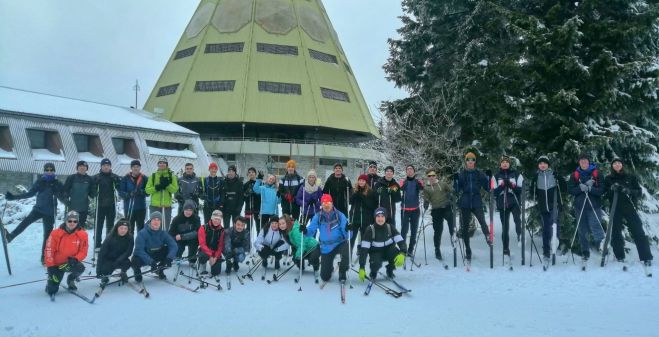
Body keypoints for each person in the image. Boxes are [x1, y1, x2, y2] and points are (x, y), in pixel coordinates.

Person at [3, 162, 64, 263]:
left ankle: (44, 258)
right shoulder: (40, 181)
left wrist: (70, 203)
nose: (49, 172)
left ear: (54, 171)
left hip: (50, 212)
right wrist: (14, 197)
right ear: (44, 171)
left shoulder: (58, 183)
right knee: (25, 222)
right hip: (38, 209)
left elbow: (63, 197)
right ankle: (10, 236)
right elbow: (30, 194)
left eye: (51, 170)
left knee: (47, 236)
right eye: (47, 170)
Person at [603, 158, 653, 270]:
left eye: (619, 163)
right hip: (615, 208)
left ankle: (646, 257)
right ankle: (619, 256)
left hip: (629, 207)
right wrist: (611, 189)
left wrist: (628, 191)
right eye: (614, 163)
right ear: (612, 166)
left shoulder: (630, 177)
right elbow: (604, 194)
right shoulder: (608, 178)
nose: (617, 165)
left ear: (622, 165)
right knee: (616, 232)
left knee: (638, 230)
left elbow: (639, 192)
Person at [453, 152, 492, 266]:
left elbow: (488, 187)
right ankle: (468, 250)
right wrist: (455, 180)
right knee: (465, 228)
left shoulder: (479, 173)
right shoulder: (462, 174)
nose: (471, 162)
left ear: (475, 162)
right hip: (465, 201)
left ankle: (488, 238)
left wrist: (489, 177)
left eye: (473, 160)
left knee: (482, 221)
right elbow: (456, 189)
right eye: (469, 160)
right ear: (466, 161)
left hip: (476, 200)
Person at [300, 194, 349, 284]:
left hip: (339, 243)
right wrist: (305, 230)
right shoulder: (318, 216)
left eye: (328, 203)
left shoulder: (340, 215)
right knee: (325, 277)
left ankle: (342, 271)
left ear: (332, 203)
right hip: (326, 246)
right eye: (324, 203)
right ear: (321, 205)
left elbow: (347, 235)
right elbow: (311, 231)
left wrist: (347, 230)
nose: (326, 205)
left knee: (346, 254)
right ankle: (329, 267)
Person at [567, 153, 605, 265]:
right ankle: (585, 251)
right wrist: (580, 187)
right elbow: (570, 190)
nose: (583, 163)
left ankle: (602, 248)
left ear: (589, 162)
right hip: (580, 206)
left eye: (585, 161)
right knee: (582, 230)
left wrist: (590, 189)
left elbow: (602, 190)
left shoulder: (597, 173)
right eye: (581, 161)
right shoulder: (575, 175)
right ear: (579, 162)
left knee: (596, 227)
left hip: (594, 206)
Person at [530, 155, 564, 267]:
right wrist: (532, 184)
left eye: (544, 163)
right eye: (540, 163)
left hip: (553, 204)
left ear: (548, 165)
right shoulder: (536, 176)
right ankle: (546, 253)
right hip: (543, 206)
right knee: (546, 228)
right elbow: (532, 192)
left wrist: (559, 178)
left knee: (554, 225)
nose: (542, 165)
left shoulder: (553, 175)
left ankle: (555, 244)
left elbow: (564, 188)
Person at [44, 211, 88, 295]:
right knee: (51, 291)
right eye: (69, 221)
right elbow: (48, 250)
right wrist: (51, 267)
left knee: (80, 268)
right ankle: (50, 282)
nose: (72, 223)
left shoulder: (83, 234)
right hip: (56, 265)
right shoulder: (55, 233)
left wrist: (76, 259)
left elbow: (83, 251)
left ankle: (71, 279)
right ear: (65, 221)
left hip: (70, 263)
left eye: (75, 221)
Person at [357, 208, 406, 281]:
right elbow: (364, 250)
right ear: (375, 217)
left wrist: (402, 253)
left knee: (397, 255)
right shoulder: (370, 230)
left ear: (385, 217)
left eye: (382, 216)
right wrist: (361, 267)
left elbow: (401, 242)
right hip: (375, 252)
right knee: (376, 263)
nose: (380, 219)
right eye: (378, 216)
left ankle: (390, 270)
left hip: (389, 251)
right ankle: (373, 272)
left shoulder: (390, 227)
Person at [131, 211, 177, 282]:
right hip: (145, 255)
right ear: (150, 221)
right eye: (154, 219)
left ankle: (159, 270)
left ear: (160, 222)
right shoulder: (142, 233)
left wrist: (169, 258)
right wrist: (151, 262)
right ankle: (137, 273)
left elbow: (173, 245)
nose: (156, 222)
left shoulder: (163, 233)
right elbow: (139, 250)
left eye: (158, 220)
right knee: (134, 260)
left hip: (156, 254)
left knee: (169, 251)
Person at [493, 156, 523, 266]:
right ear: (500, 164)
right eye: (503, 162)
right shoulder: (496, 176)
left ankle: (520, 236)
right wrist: (502, 185)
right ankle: (506, 250)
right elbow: (494, 192)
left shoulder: (516, 174)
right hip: (502, 204)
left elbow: (521, 190)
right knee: (505, 227)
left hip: (514, 201)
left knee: (517, 219)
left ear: (510, 164)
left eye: (507, 162)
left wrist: (512, 185)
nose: (505, 164)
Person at [422, 169, 455, 260]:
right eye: (429, 176)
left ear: (436, 176)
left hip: (446, 207)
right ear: (427, 177)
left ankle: (453, 237)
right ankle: (437, 249)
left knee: (451, 221)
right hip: (436, 210)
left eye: (433, 175)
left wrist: (450, 195)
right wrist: (426, 203)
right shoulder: (426, 188)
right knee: (438, 230)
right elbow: (426, 198)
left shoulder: (443, 184)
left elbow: (451, 190)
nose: (431, 177)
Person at [93, 158, 121, 251]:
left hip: (111, 205)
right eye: (104, 165)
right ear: (101, 166)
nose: (106, 167)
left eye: (108, 165)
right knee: (99, 226)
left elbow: (119, 188)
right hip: (100, 205)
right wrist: (94, 186)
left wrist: (117, 182)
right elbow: (92, 191)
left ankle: (108, 243)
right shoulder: (96, 177)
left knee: (110, 226)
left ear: (110, 166)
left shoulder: (114, 177)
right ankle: (97, 244)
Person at [281, 214, 320, 280]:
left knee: (310, 259)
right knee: (296, 258)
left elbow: (302, 245)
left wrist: (298, 256)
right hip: (302, 248)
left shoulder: (295, 231)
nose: (281, 225)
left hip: (313, 247)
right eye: (280, 224)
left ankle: (316, 268)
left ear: (288, 222)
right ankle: (301, 268)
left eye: (283, 223)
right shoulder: (287, 230)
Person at [145, 157, 178, 231]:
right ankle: (153, 241)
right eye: (160, 163)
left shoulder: (171, 176)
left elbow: (175, 189)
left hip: (166, 206)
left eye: (164, 163)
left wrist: (167, 185)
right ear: (158, 164)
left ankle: (164, 241)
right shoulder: (153, 176)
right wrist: (157, 187)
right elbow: (147, 190)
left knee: (165, 226)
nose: (162, 164)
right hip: (155, 206)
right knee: (154, 227)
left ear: (166, 165)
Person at [96, 219, 133, 284]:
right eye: (121, 228)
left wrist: (119, 260)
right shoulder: (110, 237)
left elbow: (128, 252)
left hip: (121, 259)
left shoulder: (130, 238)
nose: (123, 230)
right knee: (105, 269)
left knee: (127, 263)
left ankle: (123, 272)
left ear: (128, 230)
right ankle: (106, 276)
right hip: (109, 259)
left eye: (125, 228)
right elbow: (102, 254)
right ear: (117, 228)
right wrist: (98, 270)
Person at [399, 165, 424, 256]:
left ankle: (410, 250)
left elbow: (423, 189)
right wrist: (403, 185)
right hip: (405, 210)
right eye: (408, 169)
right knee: (404, 231)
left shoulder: (418, 181)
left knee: (414, 231)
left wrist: (421, 184)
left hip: (415, 210)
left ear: (414, 171)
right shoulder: (403, 181)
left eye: (411, 169)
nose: (409, 171)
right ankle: (403, 249)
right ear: (406, 171)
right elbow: (399, 189)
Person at [63, 160, 95, 229]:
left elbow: (92, 193)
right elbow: (65, 190)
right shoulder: (71, 178)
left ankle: (80, 240)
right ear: (77, 168)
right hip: (72, 207)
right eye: (80, 166)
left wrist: (94, 194)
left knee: (81, 227)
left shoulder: (90, 179)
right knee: (70, 227)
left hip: (84, 207)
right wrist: (65, 199)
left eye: (84, 166)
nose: (82, 168)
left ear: (87, 168)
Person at [118, 160, 148, 235]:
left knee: (141, 228)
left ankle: (139, 245)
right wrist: (129, 194)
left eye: (137, 167)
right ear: (131, 168)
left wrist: (141, 192)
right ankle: (129, 245)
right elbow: (121, 192)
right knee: (129, 228)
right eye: (134, 167)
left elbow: (148, 192)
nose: (136, 168)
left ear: (140, 168)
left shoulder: (144, 178)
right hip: (129, 208)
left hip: (141, 207)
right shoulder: (125, 178)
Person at [349, 174, 377, 251]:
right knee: (351, 238)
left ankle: (363, 254)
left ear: (366, 182)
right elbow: (350, 202)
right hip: (354, 218)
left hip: (365, 219)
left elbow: (371, 205)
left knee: (364, 239)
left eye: (363, 181)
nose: (361, 182)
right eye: (360, 180)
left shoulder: (370, 192)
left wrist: (362, 197)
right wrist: (355, 194)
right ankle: (349, 256)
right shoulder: (354, 190)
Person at [169, 200, 201, 265]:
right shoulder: (177, 219)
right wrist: (175, 237)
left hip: (191, 239)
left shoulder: (196, 218)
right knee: (177, 245)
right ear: (183, 209)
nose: (188, 212)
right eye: (186, 210)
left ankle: (192, 260)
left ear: (193, 211)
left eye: (190, 210)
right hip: (179, 239)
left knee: (195, 241)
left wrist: (182, 236)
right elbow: (171, 233)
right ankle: (177, 256)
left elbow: (197, 232)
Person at [197, 210, 226, 277]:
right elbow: (202, 244)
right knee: (203, 256)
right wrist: (210, 256)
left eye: (219, 219)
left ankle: (213, 265)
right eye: (215, 219)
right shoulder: (203, 228)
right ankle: (202, 266)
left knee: (216, 272)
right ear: (212, 218)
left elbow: (220, 245)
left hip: (215, 252)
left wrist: (215, 257)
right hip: (205, 251)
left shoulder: (222, 230)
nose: (217, 221)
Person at [243, 167, 262, 232]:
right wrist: (246, 193)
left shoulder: (260, 183)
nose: (251, 174)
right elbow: (243, 197)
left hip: (258, 208)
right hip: (249, 208)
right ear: (248, 174)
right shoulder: (246, 184)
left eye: (253, 172)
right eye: (249, 172)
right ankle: (247, 241)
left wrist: (256, 193)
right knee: (248, 228)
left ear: (255, 174)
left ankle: (258, 242)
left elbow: (262, 195)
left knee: (258, 227)